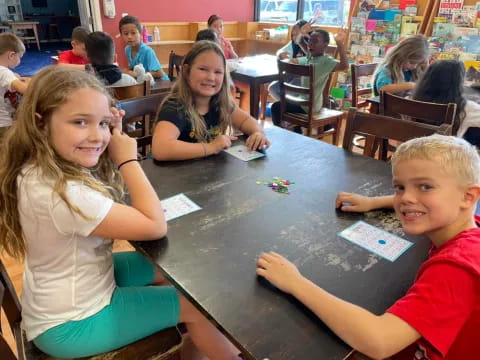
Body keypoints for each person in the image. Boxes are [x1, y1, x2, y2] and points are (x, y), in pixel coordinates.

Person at [0, 66, 242, 360]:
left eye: (102, 123)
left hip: (68, 293)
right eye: (79, 122)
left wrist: (104, 129)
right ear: (41, 123)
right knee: (196, 304)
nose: (97, 135)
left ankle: (193, 349)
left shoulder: (40, 166)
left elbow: (101, 189)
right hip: (71, 324)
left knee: (180, 274)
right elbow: (154, 225)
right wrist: (128, 159)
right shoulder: (62, 194)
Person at [257, 135, 480, 360]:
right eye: (399, 188)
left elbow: (379, 341)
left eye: (425, 186)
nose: (406, 198)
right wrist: (373, 202)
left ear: (468, 197)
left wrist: (295, 283)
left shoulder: (456, 270)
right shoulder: (469, 227)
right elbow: (416, 200)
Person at [152, 41, 270, 161]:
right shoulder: (175, 106)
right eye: (203, 69)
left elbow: (245, 120)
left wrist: (257, 133)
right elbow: (160, 149)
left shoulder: (220, 102)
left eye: (218, 72)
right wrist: (210, 147)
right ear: (186, 71)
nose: (211, 77)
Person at [271, 29, 348, 130]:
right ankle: (296, 133)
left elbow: (345, 66)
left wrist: (339, 43)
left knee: (276, 107)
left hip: (308, 107)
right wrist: (302, 33)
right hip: (303, 103)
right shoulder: (309, 58)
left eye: (315, 41)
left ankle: (291, 134)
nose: (310, 44)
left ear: (325, 45)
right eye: (310, 41)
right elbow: (300, 43)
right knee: (279, 105)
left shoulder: (326, 61)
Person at [411, 59, 480, 146]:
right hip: (446, 153)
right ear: (459, 83)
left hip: (412, 148)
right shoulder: (468, 107)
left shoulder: (411, 100)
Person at [268, 19, 309, 101]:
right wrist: (280, 54)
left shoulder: (310, 43)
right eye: (293, 35)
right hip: (292, 75)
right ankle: (286, 107)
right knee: (272, 88)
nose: (294, 38)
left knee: (282, 91)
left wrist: (298, 61)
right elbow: (280, 51)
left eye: (297, 35)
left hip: (305, 78)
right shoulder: (294, 43)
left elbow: (313, 58)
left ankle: (288, 107)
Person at [119, 15, 169, 80]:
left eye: (133, 33)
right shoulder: (127, 50)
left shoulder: (147, 51)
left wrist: (137, 74)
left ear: (140, 33)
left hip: (161, 84)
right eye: (126, 34)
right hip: (145, 83)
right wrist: (127, 72)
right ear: (121, 35)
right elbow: (133, 68)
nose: (129, 37)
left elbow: (159, 73)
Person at [0, 32, 28, 139]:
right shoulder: (4, 72)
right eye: (19, 57)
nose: (20, 61)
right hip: (5, 124)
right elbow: (23, 89)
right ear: (11, 55)